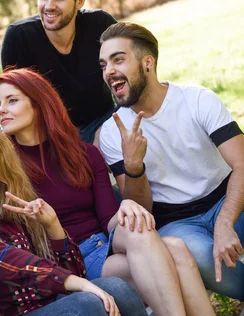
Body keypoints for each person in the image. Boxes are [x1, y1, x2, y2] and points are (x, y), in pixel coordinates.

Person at [0, 68, 215, 316]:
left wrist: (125, 207)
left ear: (39, 103)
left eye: (12, 100)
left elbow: (108, 220)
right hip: (70, 262)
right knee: (173, 251)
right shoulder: (6, 169)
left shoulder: (85, 154)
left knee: (149, 231)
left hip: (106, 245)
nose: (1, 109)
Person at [98, 21, 244, 300]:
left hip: (228, 198)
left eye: (118, 59)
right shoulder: (112, 131)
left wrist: (225, 222)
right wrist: (133, 168)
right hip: (177, 222)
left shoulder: (197, 100)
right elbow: (140, 209)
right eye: (104, 64)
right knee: (199, 256)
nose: (109, 71)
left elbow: (242, 163)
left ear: (148, 63)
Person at [0, 129, 147, 316]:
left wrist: (53, 226)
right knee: (87, 303)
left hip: (48, 305)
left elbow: (75, 273)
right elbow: (2, 258)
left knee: (116, 288)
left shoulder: (10, 214)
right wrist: (80, 284)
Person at [0, 0, 117, 143]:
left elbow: (130, 69)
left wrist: (109, 129)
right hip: (54, 137)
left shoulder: (101, 24)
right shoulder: (19, 37)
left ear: (80, 1)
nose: (49, 6)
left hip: (105, 121)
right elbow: (14, 103)